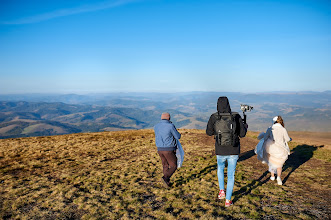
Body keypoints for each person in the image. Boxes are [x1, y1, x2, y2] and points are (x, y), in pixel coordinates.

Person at [206, 97, 247, 207]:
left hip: (220, 149)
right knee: (231, 175)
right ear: (228, 104)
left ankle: (221, 191)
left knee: (220, 168)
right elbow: (242, 134)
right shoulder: (236, 116)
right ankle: (228, 201)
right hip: (233, 149)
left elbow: (208, 133)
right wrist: (245, 126)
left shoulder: (214, 117)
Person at [154, 112, 181, 187]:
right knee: (173, 165)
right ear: (169, 118)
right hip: (169, 149)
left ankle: (167, 183)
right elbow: (177, 136)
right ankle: (165, 178)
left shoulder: (156, 126)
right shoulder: (170, 126)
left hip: (159, 149)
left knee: (165, 165)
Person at [262, 116, 291, 185]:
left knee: (272, 163)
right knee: (279, 165)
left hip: (272, 148)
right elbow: (287, 139)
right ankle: (279, 177)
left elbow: (265, 137)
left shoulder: (270, 129)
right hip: (281, 150)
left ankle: (272, 176)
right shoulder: (283, 129)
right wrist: (290, 139)